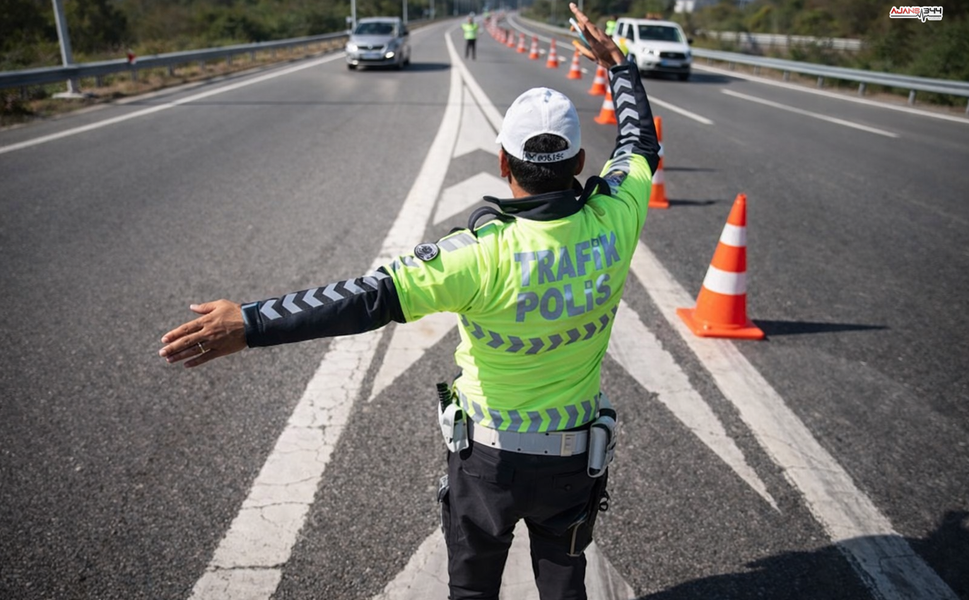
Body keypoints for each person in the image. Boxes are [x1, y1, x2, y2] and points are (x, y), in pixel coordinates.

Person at [158, 4, 659, 598]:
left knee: (471, 589)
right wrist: (619, 65)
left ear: (502, 164)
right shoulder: (617, 215)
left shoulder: (475, 254)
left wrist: (250, 322)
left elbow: (365, 299)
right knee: (564, 582)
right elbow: (638, 142)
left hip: (488, 464)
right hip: (574, 460)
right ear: (579, 163)